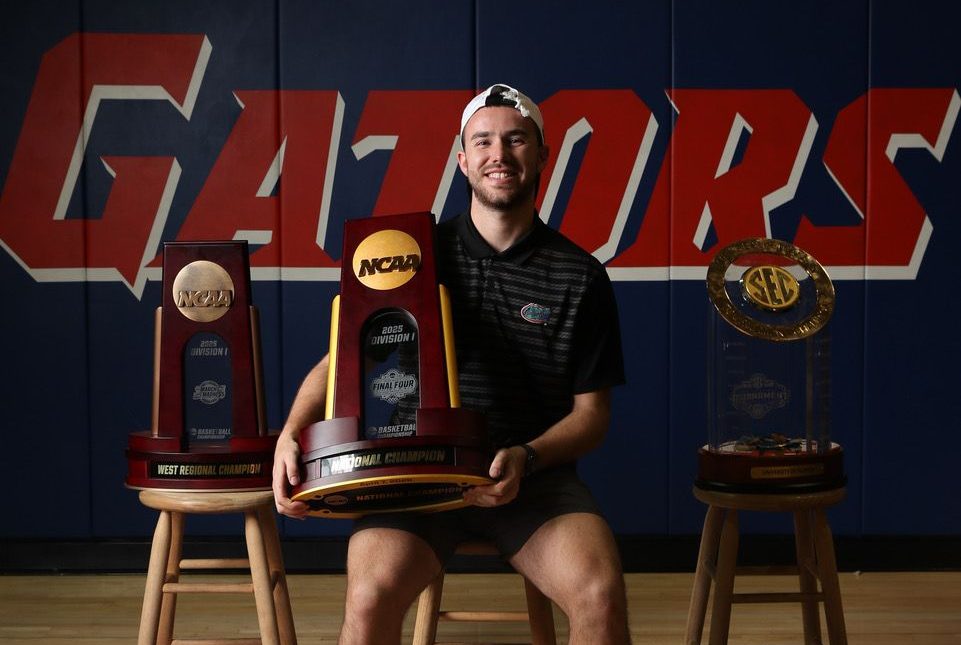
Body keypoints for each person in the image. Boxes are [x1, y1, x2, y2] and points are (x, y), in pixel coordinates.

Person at [273, 84, 631, 644]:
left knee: (600, 594)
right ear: (462, 159)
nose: (499, 155)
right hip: (414, 473)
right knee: (367, 597)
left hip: (532, 480)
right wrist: (291, 432)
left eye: (516, 140)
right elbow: (340, 359)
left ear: (542, 155)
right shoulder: (412, 254)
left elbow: (592, 415)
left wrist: (527, 457)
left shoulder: (579, 275)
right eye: (482, 141)